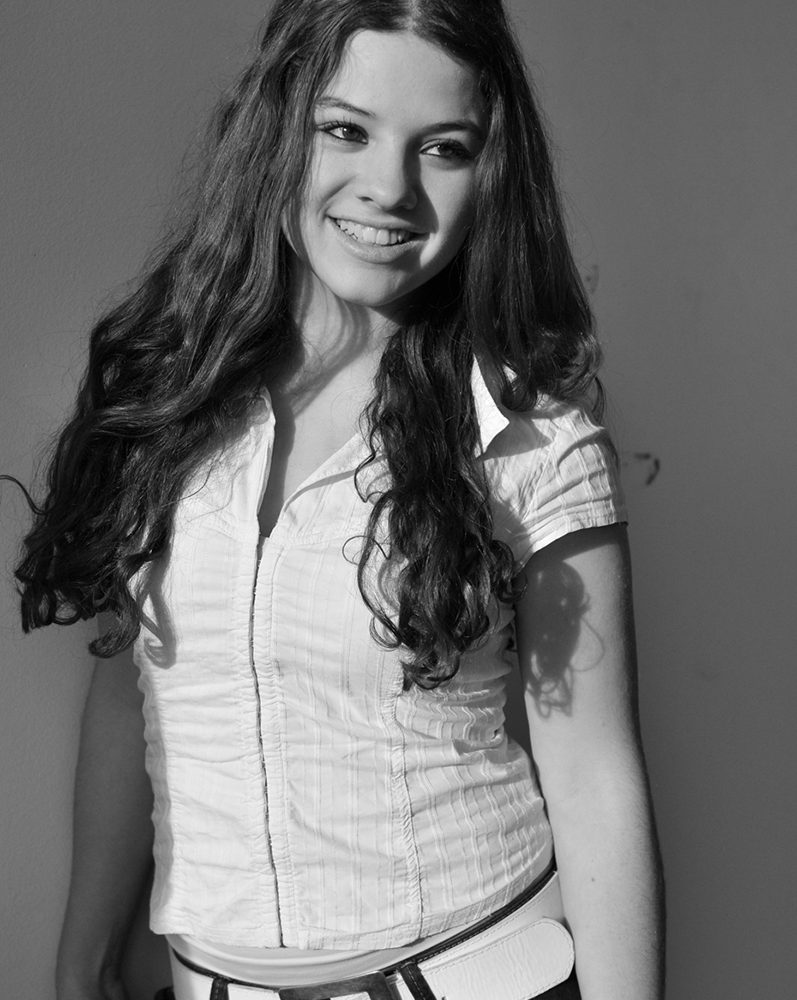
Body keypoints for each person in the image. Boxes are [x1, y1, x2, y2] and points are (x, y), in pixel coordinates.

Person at [11, 1, 664, 998]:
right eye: (346, 130)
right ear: (279, 129)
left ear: (490, 172)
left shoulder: (527, 434)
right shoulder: (166, 396)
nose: (388, 188)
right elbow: (132, 683)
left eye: (442, 148)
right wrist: (84, 952)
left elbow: (594, 779)